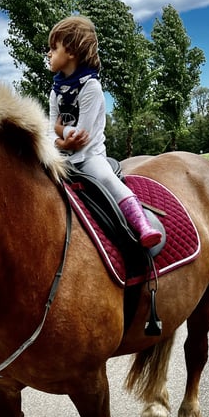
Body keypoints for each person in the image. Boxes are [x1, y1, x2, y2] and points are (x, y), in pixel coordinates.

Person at [47, 16, 162, 248]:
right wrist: (58, 140)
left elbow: (82, 137)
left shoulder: (91, 87)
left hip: (88, 156)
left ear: (71, 51)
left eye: (53, 48)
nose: (48, 53)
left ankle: (142, 224)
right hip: (61, 157)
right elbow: (50, 131)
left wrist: (61, 131)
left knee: (105, 177)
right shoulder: (56, 91)